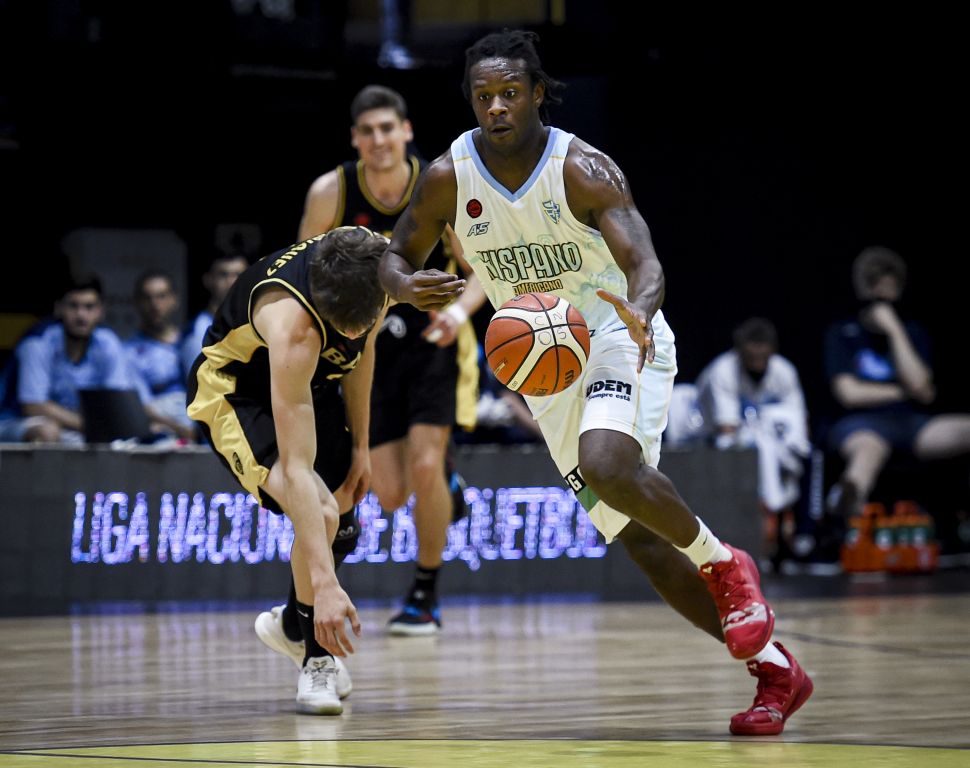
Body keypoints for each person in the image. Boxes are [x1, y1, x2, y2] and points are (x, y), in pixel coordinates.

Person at [379, 29, 813, 735]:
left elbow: (645, 261)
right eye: (484, 96)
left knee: (606, 463)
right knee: (641, 542)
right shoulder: (448, 177)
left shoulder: (582, 169)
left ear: (537, 94)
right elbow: (395, 254)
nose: (497, 107)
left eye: (510, 93)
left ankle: (725, 563)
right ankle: (775, 669)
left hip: (615, 333)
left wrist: (640, 308)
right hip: (544, 368)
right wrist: (405, 286)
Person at [288, 84, 486, 636]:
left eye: (387, 129)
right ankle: (448, 482)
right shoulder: (331, 191)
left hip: (431, 340)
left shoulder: (437, 186)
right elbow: (302, 271)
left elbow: (481, 270)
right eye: (368, 131)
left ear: (406, 132)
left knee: (424, 466)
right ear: (355, 138)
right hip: (364, 345)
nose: (379, 140)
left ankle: (425, 593)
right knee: (390, 493)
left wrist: (458, 314)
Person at [186, 226, 390, 715]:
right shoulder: (293, 324)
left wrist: (362, 446)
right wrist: (326, 586)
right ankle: (316, 661)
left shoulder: (380, 269)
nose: (355, 334)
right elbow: (296, 468)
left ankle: (291, 627)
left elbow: (362, 355)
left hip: (310, 384)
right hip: (239, 393)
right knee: (320, 512)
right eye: (346, 327)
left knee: (343, 526)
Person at [824, 246, 970, 525]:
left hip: (912, 424)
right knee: (868, 452)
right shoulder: (843, 333)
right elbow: (849, 393)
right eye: (877, 294)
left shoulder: (912, 332)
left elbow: (923, 389)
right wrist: (903, 392)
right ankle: (847, 521)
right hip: (861, 425)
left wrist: (894, 330)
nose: (883, 304)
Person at [696, 318, 811, 563]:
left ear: (772, 350)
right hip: (703, 435)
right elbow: (726, 428)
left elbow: (799, 424)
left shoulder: (784, 371)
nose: (758, 359)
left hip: (762, 440)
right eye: (751, 354)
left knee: (795, 454)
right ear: (740, 350)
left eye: (763, 353)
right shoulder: (723, 370)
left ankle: (796, 533)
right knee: (748, 450)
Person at [0, 273, 140, 444]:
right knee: (47, 432)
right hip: (15, 421)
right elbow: (33, 406)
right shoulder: (38, 342)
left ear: (100, 311)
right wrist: (94, 427)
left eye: (89, 307)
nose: (81, 315)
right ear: (58, 308)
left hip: (76, 425)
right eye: (73, 306)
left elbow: (116, 399)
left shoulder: (107, 341)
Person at [125, 270, 197, 442]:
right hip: (162, 435)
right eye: (147, 298)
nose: (155, 304)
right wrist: (180, 429)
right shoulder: (128, 352)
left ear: (174, 300)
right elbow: (141, 406)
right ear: (137, 303)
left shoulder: (192, 341)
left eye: (161, 296)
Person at [178, 252, 249, 377]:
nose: (231, 281)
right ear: (208, 280)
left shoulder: (257, 321)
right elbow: (199, 381)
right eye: (223, 275)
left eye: (238, 275)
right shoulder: (198, 331)